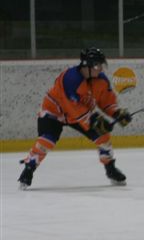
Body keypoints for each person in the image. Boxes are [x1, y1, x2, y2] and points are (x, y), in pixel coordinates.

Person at [18, 47, 132, 189]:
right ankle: (29, 168)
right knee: (47, 140)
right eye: (98, 65)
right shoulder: (70, 79)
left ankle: (110, 168)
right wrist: (96, 121)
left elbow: (107, 102)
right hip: (54, 112)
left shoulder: (101, 80)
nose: (101, 69)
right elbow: (74, 109)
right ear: (87, 66)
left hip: (78, 115)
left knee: (103, 136)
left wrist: (117, 113)